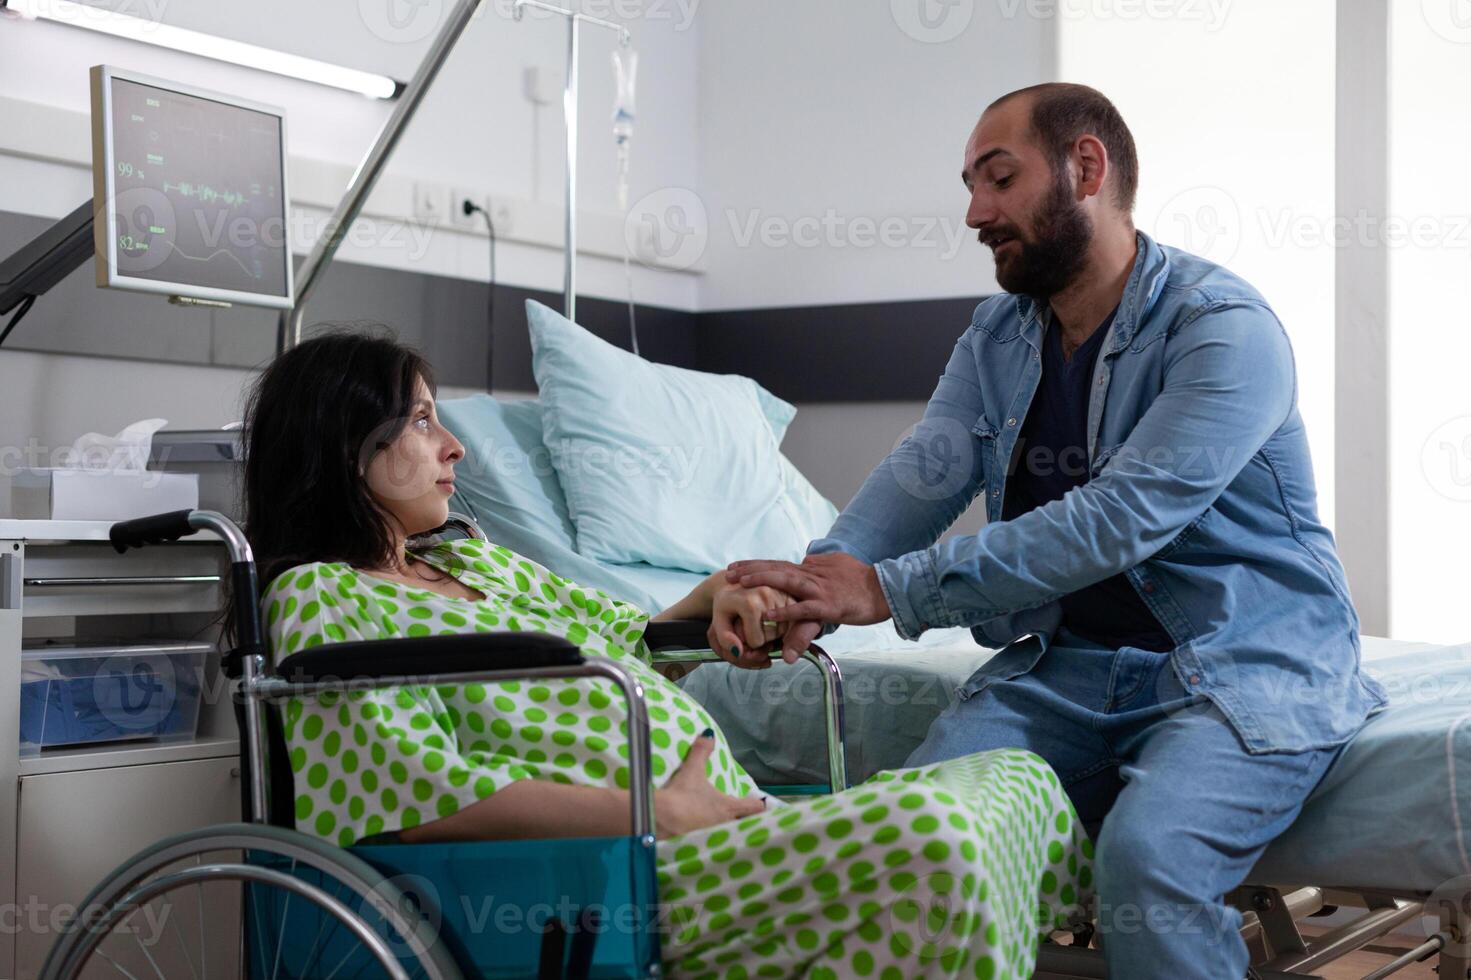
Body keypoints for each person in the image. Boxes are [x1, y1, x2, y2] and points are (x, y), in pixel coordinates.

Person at [724, 83, 1387, 979]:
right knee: (907, 838)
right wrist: (822, 574)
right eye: (969, 185)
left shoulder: (1223, 329)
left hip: (1241, 668)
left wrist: (886, 590)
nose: (974, 212)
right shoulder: (998, 333)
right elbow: (926, 469)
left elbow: (1119, 519)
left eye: (997, 180)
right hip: (1065, 670)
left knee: (1147, 866)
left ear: (1085, 167)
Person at [243, 330, 1090, 979]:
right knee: (929, 834)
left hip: (708, 831)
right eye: (422, 421)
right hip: (598, 875)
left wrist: (715, 598)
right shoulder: (322, 595)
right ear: (343, 447)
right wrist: (652, 812)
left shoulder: (468, 559)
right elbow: (411, 794)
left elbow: (628, 637)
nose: (452, 444)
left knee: (1012, 775)